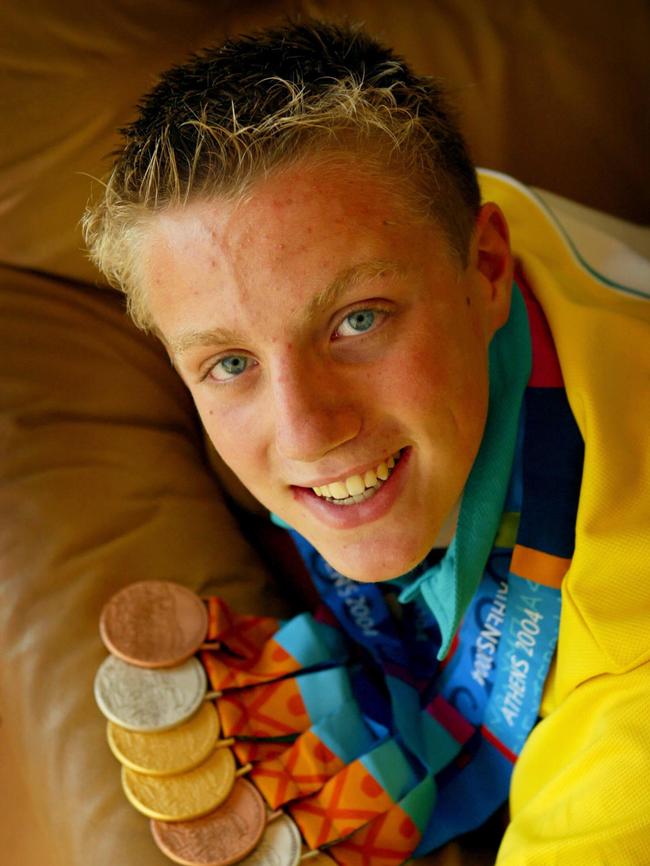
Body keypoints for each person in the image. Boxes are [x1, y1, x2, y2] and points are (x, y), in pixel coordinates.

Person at [83, 20, 650, 866]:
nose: (307, 432)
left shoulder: (629, 686)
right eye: (230, 361)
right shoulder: (393, 207)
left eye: (357, 321)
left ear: (486, 270)